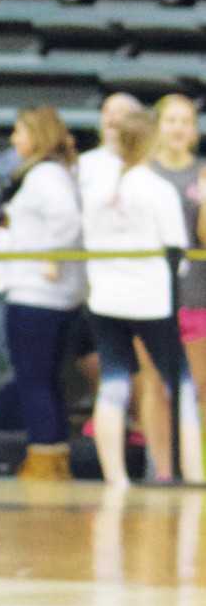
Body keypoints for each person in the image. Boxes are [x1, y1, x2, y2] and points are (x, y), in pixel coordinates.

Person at [81, 106, 195, 486]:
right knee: (180, 385)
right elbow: (176, 250)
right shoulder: (157, 189)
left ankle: (116, 478)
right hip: (150, 300)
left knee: (113, 383)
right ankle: (192, 470)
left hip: (104, 297)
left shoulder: (98, 189)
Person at [0, 107, 85, 479]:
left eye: (19, 132)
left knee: (33, 378)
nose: (13, 140)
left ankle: (44, 458)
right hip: (44, 292)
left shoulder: (45, 175)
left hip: (37, 293)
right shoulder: (50, 173)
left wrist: (50, 256)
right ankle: (54, 453)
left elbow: (67, 221)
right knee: (44, 378)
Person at [150, 92, 206, 469]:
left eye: (186, 121)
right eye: (171, 120)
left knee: (199, 385)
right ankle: (161, 468)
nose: (179, 128)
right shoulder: (143, 172)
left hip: (197, 291)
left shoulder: (201, 172)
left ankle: (196, 464)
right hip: (149, 294)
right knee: (155, 385)